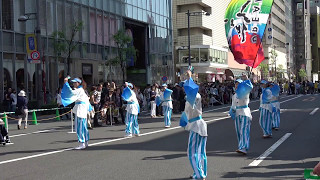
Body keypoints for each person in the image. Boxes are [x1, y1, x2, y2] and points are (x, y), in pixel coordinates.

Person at [180, 70, 207, 180]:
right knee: (200, 152)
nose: (183, 88)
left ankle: (199, 174)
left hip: (196, 126)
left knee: (192, 152)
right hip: (198, 125)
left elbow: (192, 91)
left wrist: (189, 77)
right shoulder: (190, 98)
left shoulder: (195, 96)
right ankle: (200, 173)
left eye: (185, 86)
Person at [61, 77, 92, 150]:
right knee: (83, 127)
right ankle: (85, 142)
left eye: (75, 82)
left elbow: (70, 93)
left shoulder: (79, 90)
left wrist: (66, 83)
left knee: (79, 127)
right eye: (73, 82)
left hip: (80, 110)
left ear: (79, 83)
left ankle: (82, 143)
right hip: (81, 110)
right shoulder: (81, 90)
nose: (74, 84)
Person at [229, 76, 253, 155]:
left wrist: (247, 79)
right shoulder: (234, 95)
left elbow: (250, 87)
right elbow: (233, 105)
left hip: (245, 113)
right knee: (239, 131)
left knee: (244, 130)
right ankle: (241, 146)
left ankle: (244, 147)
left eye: (238, 84)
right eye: (236, 84)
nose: (236, 85)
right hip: (237, 114)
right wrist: (232, 111)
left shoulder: (245, 91)